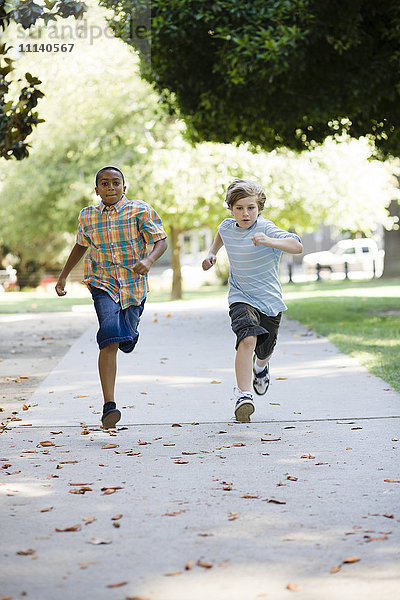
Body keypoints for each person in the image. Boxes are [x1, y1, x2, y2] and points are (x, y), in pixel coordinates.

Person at [55, 166, 167, 428]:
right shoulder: (88, 216)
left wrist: (149, 260)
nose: (110, 188)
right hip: (101, 283)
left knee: (124, 337)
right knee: (108, 337)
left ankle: (127, 334)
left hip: (133, 285)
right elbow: (81, 245)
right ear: (97, 190)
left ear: (124, 187)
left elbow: (161, 240)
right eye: (104, 184)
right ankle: (109, 406)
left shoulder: (140, 210)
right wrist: (63, 276)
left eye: (116, 183)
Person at [202, 178, 302, 423]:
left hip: (269, 302)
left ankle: (261, 368)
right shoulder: (227, 227)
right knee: (247, 338)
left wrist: (269, 241)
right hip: (241, 297)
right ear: (231, 209)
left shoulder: (266, 228)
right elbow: (220, 236)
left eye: (251, 208)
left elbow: (297, 246)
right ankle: (243, 395)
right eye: (239, 208)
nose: (245, 213)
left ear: (259, 208)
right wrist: (211, 254)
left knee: (264, 350)